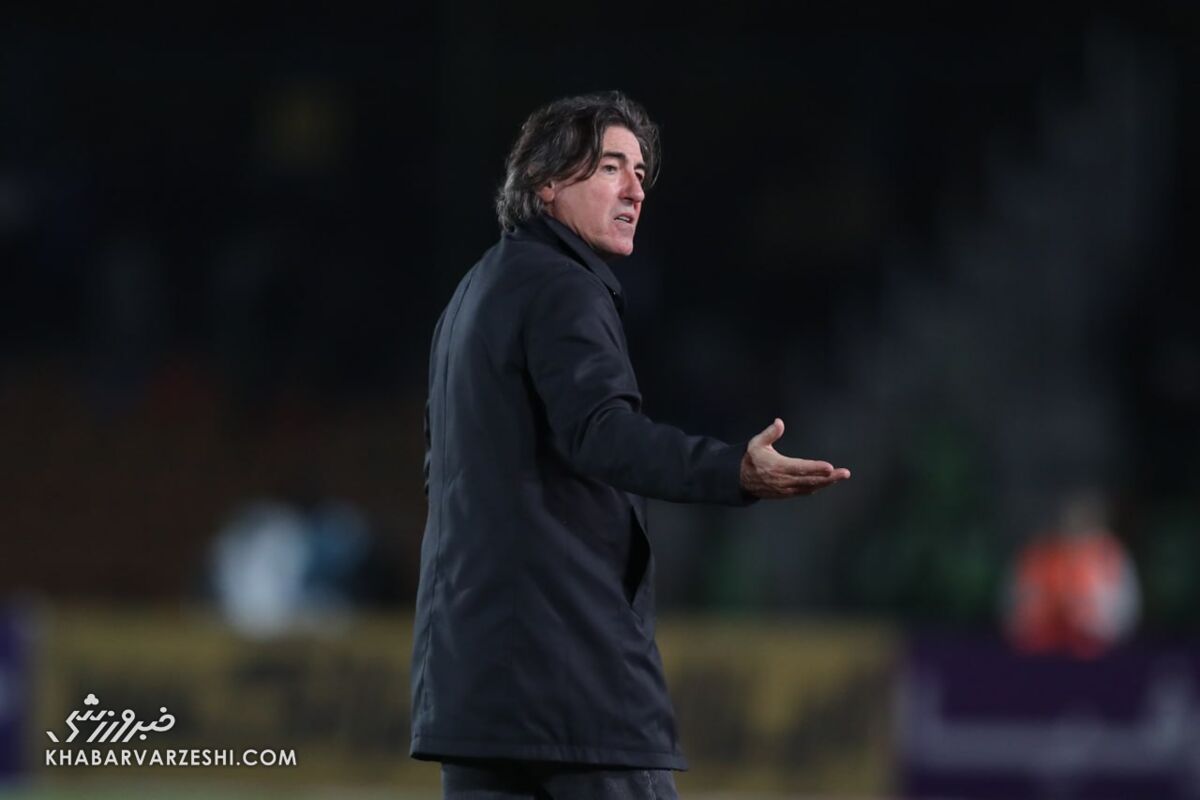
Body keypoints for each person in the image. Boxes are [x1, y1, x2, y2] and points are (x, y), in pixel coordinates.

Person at [411, 91, 851, 799]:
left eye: (640, 172)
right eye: (611, 167)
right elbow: (602, 434)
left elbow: (442, 473)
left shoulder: (469, 297)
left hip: (471, 687)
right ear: (545, 183)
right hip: (567, 682)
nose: (635, 189)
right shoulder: (562, 286)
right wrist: (733, 471)